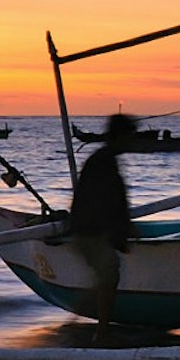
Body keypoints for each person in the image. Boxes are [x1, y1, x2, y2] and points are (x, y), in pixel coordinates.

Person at [70, 112, 138, 343]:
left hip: (94, 230)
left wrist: (124, 228)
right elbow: (104, 203)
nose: (132, 142)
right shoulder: (103, 162)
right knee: (109, 273)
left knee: (105, 276)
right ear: (119, 136)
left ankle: (80, 319)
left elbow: (116, 202)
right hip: (90, 232)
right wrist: (119, 235)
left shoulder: (106, 159)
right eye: (130, 137)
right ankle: (101, 333)